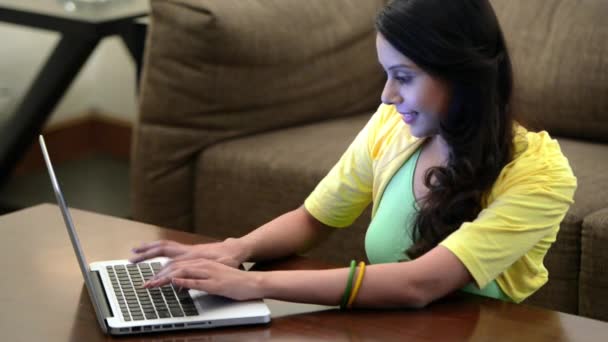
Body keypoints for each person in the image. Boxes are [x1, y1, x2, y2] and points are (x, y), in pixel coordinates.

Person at [130, 0, 576, 309]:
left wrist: (254, 283)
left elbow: (420, 284)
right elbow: (314, 218)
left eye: (403, 76)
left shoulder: (541, 175)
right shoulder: (393, 126)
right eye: (387, 74)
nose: (387, 96)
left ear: (462, 73)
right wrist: (232, 249)